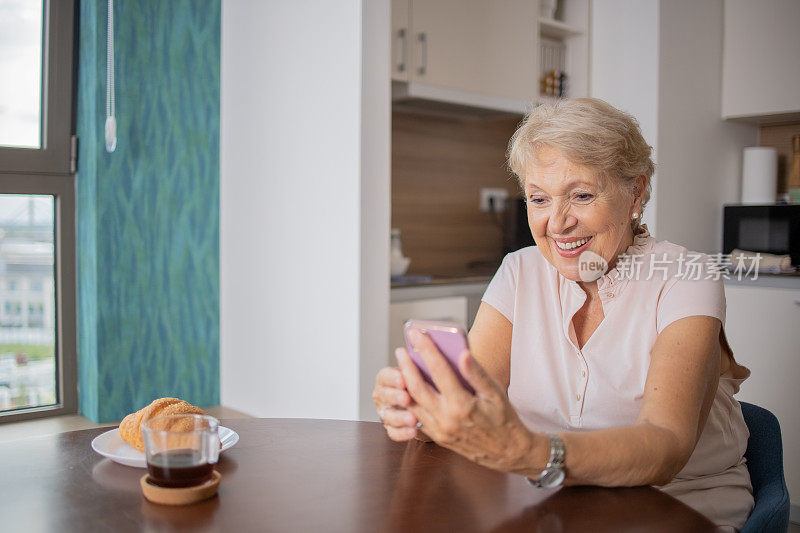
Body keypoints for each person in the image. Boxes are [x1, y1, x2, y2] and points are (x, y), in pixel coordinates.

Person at [372, 98, 754, 531]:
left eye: (582, 195)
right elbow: (472, 403)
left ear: (636, 191)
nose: (557, 223)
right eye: (539, 199)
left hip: (676, 507)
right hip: (547, 506)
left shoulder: (687, 277)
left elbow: (665, 445)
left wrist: (533, 454)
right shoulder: (520, 271)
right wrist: (422, 410)